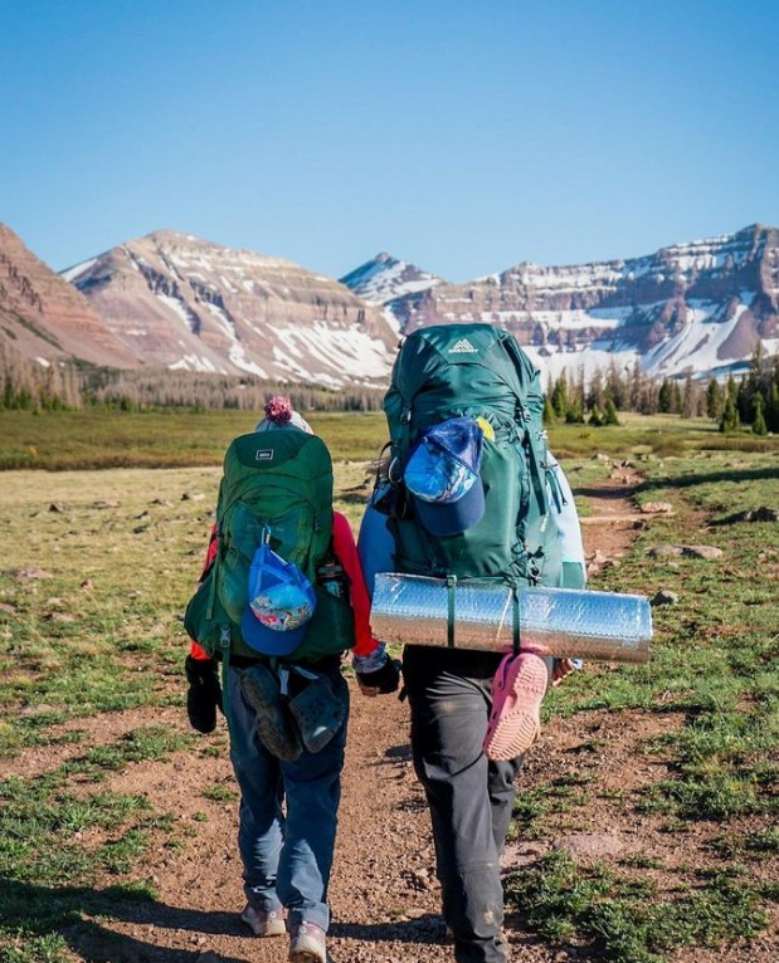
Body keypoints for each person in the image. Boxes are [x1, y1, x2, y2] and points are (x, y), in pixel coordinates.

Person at [185, 396, 399, 963]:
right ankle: (309, 923)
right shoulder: (326, 522)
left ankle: (263, 908)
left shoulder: (228, 522)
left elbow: (210, 597)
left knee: (258, 793)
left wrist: (199, 667)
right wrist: (372, 661)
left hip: (244, 668)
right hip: (314, 674)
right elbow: (356, 596)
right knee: (311, 794)